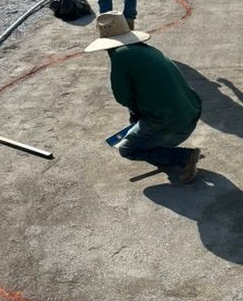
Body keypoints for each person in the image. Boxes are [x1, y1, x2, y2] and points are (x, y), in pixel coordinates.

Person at [85, 13, 202, 184]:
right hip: (190, 113)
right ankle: (162, 150)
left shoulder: (120, 55)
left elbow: (122, 96)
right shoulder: (149, 50)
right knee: (141, 130)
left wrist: (136, 111)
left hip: (172, 123)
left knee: (127, 149)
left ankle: (184, 157)